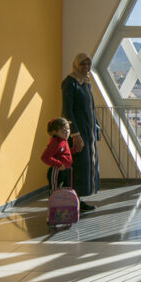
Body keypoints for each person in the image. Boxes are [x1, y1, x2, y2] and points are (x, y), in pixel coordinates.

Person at [62, 53, 100, 212]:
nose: (86, 68)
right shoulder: (70, 83)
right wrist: (75, 134)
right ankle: (73, 200)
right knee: (79, 167)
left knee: (87, 166)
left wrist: (96, 126)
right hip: (79, 133)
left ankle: (78, 200)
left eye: (88, 64)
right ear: (76, 65)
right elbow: (67, 110)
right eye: (82, 65)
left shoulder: (85, 83)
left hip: (88, 132)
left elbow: (91, 108)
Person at [41, 117, 73, 192]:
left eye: (68, 129)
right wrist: (59, 164)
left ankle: (65, 203)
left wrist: (73, 150)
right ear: (55, 132)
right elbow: (45, 157)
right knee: (55, 190)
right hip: (57, 171)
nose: (67, 132)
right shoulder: (55, 143)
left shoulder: (64, 140)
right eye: (63, 130)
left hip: (66, 170)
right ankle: (54, 203)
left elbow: (63, 153)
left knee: (66, 190)